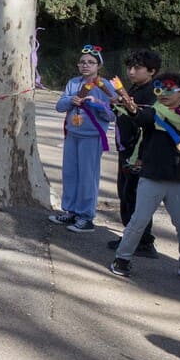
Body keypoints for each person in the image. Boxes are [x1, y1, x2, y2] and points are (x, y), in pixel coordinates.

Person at [108, 73, 180, 280]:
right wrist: (129, 105)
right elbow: (138, 116)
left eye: (169, 89)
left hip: (179, 181)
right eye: (159, 89)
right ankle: (122, 258)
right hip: (151, 178)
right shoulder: (153, 113)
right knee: (138, 221)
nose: (163, 93)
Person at [49, 46, 115, 233]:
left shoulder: (105, 85)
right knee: (70, 174)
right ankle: (70, 210)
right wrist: (72, 100)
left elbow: (113, 114)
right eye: (82, 62)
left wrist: (98, 105)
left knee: (87, 176)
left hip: (91, 137)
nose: (86, 65)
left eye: (90, 62)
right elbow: (59, 106)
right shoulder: (73, 83)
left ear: (99, 65)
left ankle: (86, 216)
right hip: (72, 135)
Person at [108, 49, 162, 258]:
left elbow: (145, 119)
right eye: (130, 67)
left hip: (138, 152)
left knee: (135, 196)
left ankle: (143, 241)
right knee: (125, 193)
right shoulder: (135, 87)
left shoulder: (152, 92)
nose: (131, 72)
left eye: (137, 68)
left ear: (151, 71)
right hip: (125, 149)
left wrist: (140, 156)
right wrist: (117, 104)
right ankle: (131, 235)